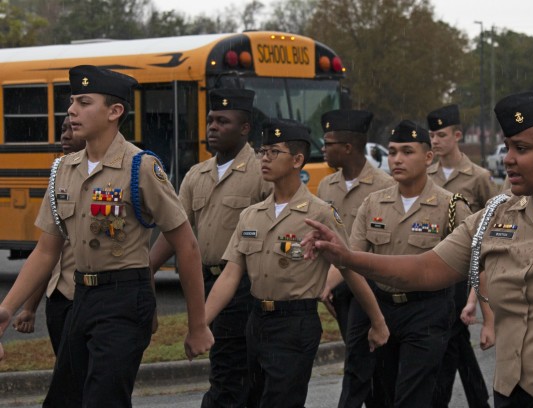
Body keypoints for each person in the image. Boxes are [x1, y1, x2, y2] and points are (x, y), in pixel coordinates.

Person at [303, 88, 533, 407]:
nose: (507, 159)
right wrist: (347, 258)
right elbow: (425, 269)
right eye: (507, 147)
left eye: (521, 149)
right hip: (514, 390)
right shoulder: (494, 218)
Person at [0, 65, 213, 407]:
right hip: (80, 295)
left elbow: (185, 245)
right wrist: (8, 308)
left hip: (125, 298)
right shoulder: (64, 170)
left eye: (84, 102)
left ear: (115, 112)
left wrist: (197, 324)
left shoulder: (140, 167)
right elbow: (45, 251)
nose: (71, 110)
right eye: (72, 102)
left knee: (103, 399)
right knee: (63, 400)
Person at [204, 118, 389, 408]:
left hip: (295, 323)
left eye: (274, 152)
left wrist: (377, 322)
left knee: (281, 401)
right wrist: (201, 323)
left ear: (297, 160)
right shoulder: (250, 215)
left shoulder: (320, 214)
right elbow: (230, 276)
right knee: (249, 399)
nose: (264, 158)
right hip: (255, 321)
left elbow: (348, 268)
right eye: (262, 151)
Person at [149, 88, 271, 408]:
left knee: (231, 373)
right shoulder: (196, 175)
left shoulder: (262, 173)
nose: (212, 127)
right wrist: (146, 267)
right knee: (233, 371)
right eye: (209, 120)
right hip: (206, 283)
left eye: (222, 121)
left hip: (246, 287)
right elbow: (177, 231)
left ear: (244, 129)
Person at [349, 120, 470, 407]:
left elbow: (475, 261)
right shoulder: (372, 204)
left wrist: (482, 310)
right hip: (381, 308)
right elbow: (353, 259)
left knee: (413, 397)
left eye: (407, 151)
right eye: (392, 152)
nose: (397, 159)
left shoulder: (450, 205)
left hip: (427, 310)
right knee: (384, 395)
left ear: (429, 158)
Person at [316, 109, 394, 408]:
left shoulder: (384, 186)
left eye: (329, 142)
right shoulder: (326, 186)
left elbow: (379, 247)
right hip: (336, 288)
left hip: (368, 287)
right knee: (362, 360)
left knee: (362, 364)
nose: (323, 148)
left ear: (348, 147)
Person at [427, 104, 494, 408]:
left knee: (450, 337)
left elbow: (494, 220)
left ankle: (442, 399)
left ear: (457, 135)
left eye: (441, 134)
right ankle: (478, 397)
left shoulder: (478, 177)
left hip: (460, 270)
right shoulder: (425, 174)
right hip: (429, 267)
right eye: (431, 135)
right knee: (455, 339)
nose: (435, 141)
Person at [12, 116, 85, 355]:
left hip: (87, 296)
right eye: (63, 129)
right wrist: (29, 308)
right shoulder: (59, 176)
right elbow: (47, 253)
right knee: (65, 372)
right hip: (58, 297)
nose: (64, 135)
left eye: (72, 129)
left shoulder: (110, 177)